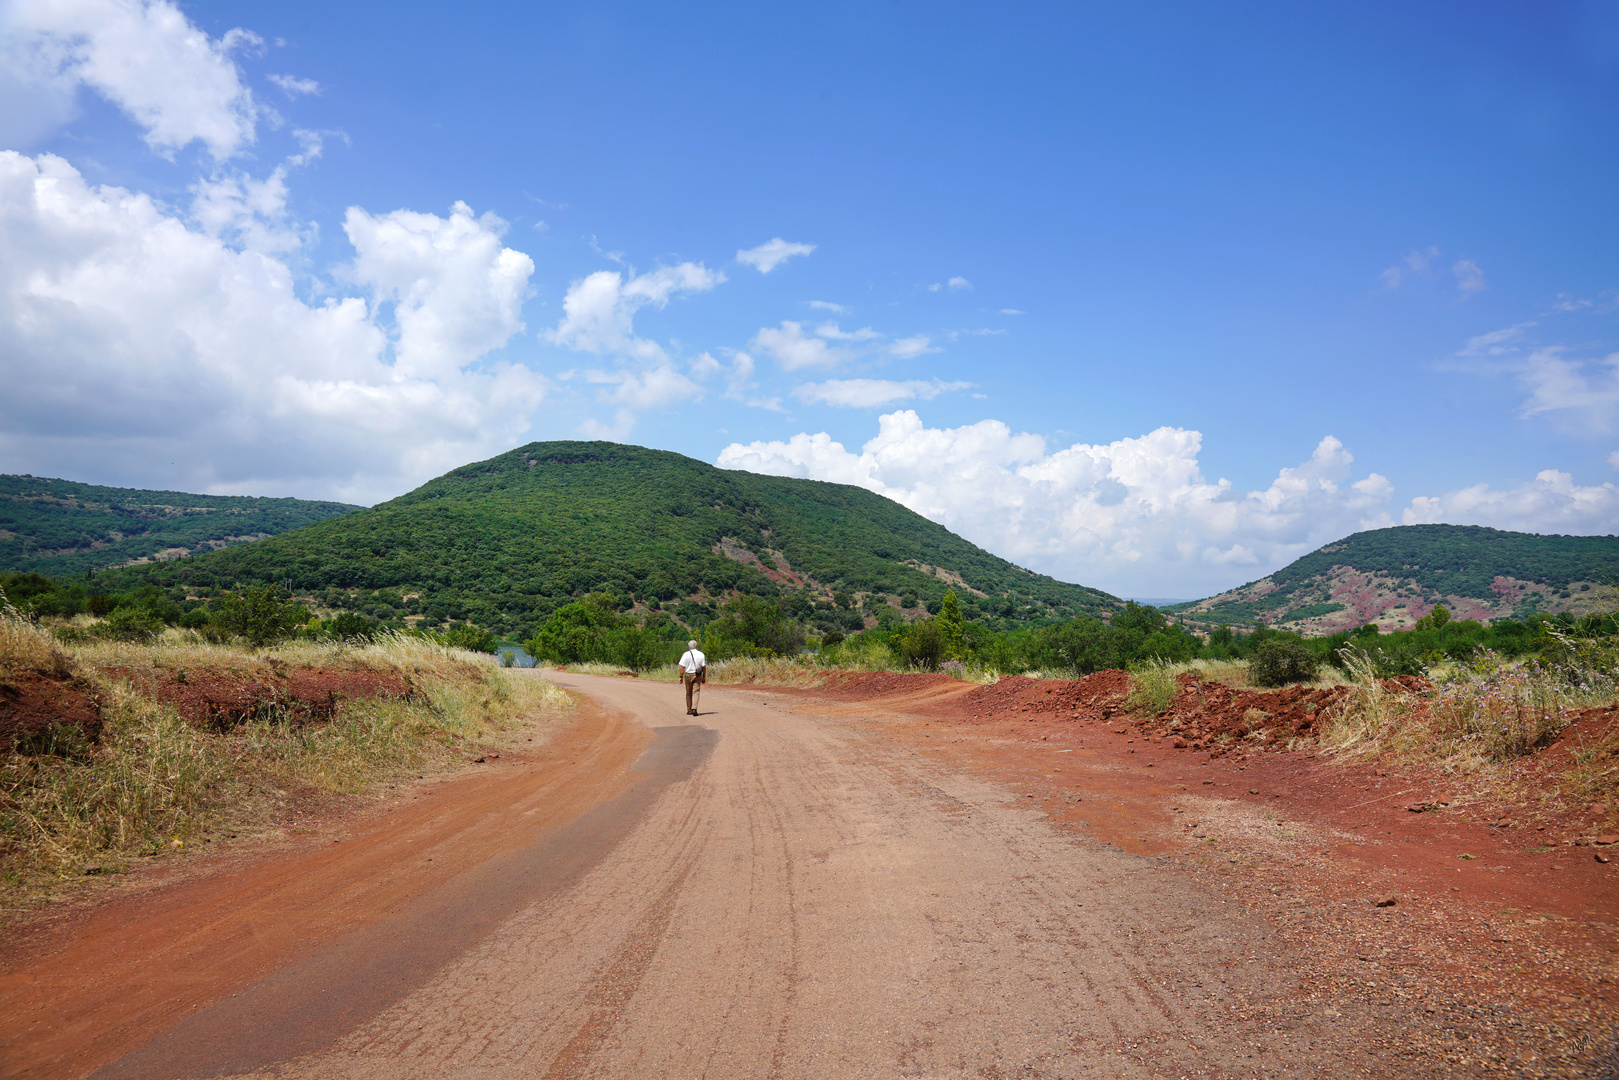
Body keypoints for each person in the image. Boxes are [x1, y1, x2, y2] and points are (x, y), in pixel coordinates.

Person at [677, 639, 707, 716]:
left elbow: (683, 667)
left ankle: (689, 710)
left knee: (688, 693)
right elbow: (704, 667)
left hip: (688, 675)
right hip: (697, 675)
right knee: (696, 692)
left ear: (689, 646)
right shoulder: (701, 654)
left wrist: (680, 676)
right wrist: (703, 677)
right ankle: (694, 708)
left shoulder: (685, 654)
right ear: (696, 646)